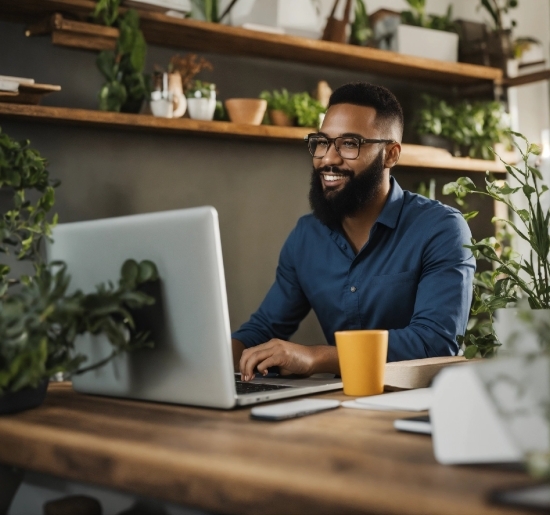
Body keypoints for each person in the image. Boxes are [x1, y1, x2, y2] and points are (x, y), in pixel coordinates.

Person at [232, 82, 475, 382]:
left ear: (391, 155)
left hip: (419, 406)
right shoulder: (306, 237)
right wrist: (207, 361)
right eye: (322, 142)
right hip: (337, 405)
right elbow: (262, 331)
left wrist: (316, 357)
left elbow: (434, 342)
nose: (328, 159)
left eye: (349, 144)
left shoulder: (441, 229)